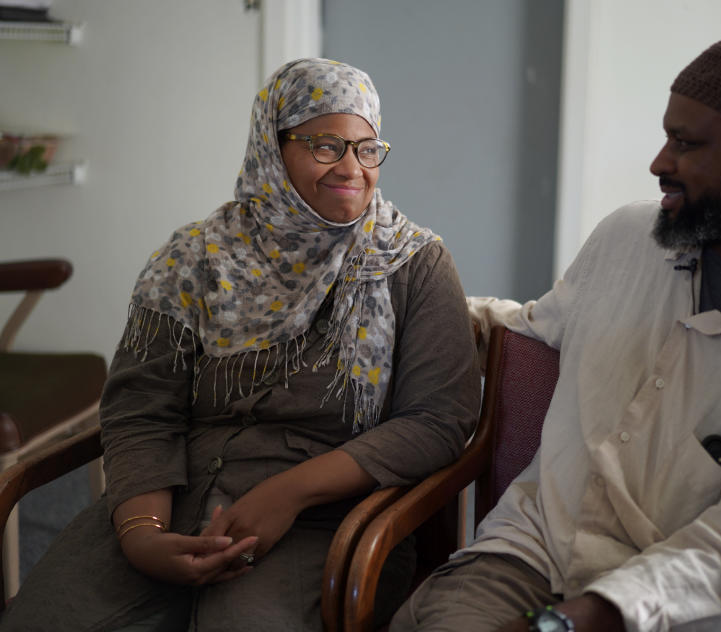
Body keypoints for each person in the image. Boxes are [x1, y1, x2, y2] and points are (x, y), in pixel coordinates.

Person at [391, 33, 721, 632]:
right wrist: (396, 303)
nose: (658, 162)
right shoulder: (627, 237)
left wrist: (564, 625)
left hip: (706, 612)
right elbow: (532, 332)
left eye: (685, 143)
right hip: (538, 555)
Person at [1, 58, 480, 631]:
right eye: (326, 146)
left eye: (366, 148)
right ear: (272, 150)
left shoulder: (414, 264)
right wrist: (143, 537)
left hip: (326, 520)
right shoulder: (194, 258)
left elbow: (438, 420)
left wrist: (288, 494)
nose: (352, 167)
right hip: (170, 495)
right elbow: (141, 408)